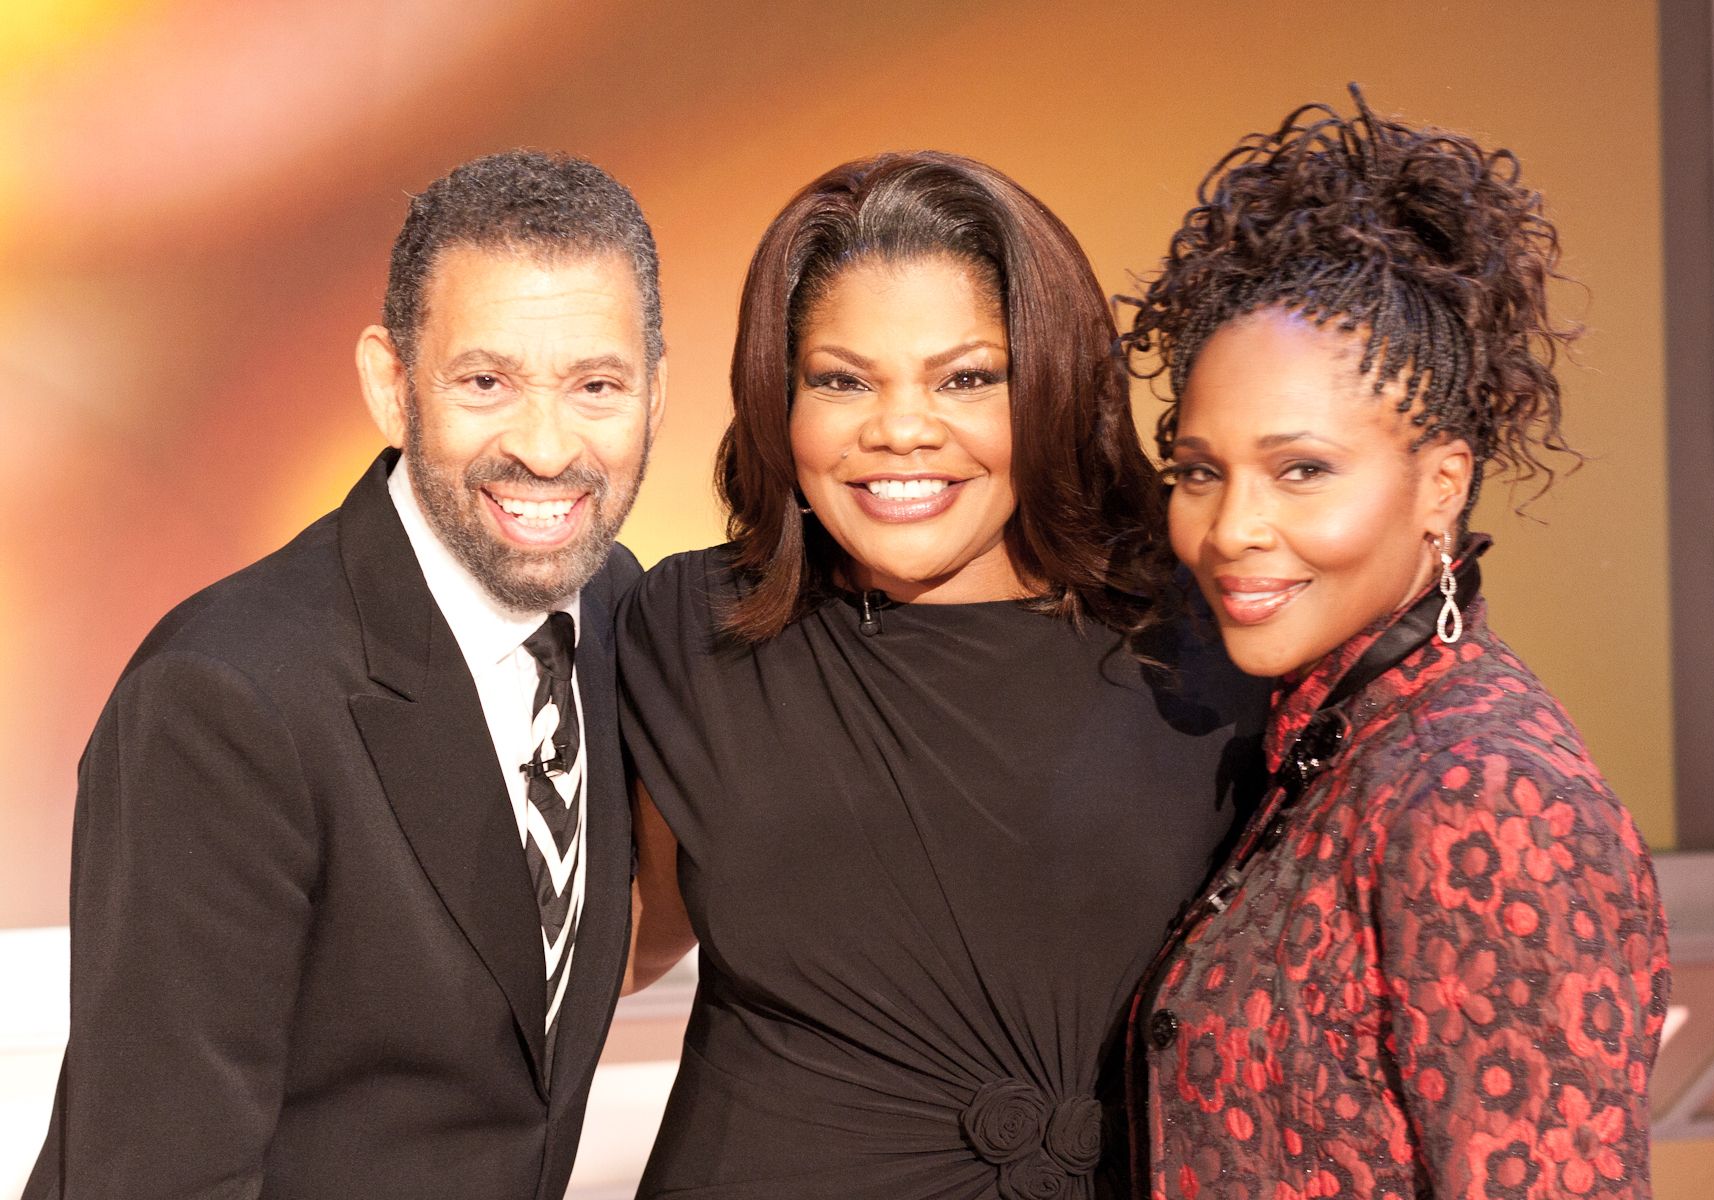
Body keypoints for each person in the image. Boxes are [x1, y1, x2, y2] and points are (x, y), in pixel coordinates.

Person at [615, 151, 1264, 1200]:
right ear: (780, 398)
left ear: (1053, 384)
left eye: (968, 378)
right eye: (841, 379)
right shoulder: (692, 629)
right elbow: (619, 948)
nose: (901, 429)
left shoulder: (1208, 641)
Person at [26, 150, 665, 1199]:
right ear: (389, 382)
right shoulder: (222, 700)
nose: (548, 447)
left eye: (596, 384)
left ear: (655, 388)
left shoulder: (614, 607)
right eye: (486, 382)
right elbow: (154, 1175)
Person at [1119, 90, 1672, 1200]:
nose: (1230, 528)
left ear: (1443, 484)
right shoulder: (1334, 737)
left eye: (1301, 469)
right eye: (1198, 471)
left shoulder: (1487, 794)